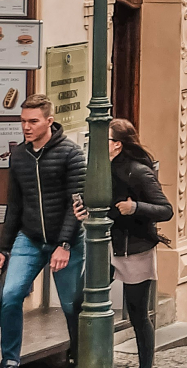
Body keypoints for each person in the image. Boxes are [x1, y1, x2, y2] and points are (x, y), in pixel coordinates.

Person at [0, 95, 84, 368]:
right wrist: (4, 248)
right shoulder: (19, 156)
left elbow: (76, 205)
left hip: (66, 240)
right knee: (10, 296)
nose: (26, 127)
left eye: (33, 121)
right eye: (23, 121)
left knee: (71, 305)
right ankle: (10, 359)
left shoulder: (71, 153)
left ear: (49, 121)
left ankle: (78, 355)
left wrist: (64, 244)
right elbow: (15, 205)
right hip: (30, 238)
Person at [107, 120, 172, 368]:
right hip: (106, 247)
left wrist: (134, 207)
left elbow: (165, 210)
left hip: (134, 248)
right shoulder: (100, 169)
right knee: (82, 301)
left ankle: (146, 364)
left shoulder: (138, 171)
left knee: (137, 314)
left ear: (117, 145)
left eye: (104, 139)